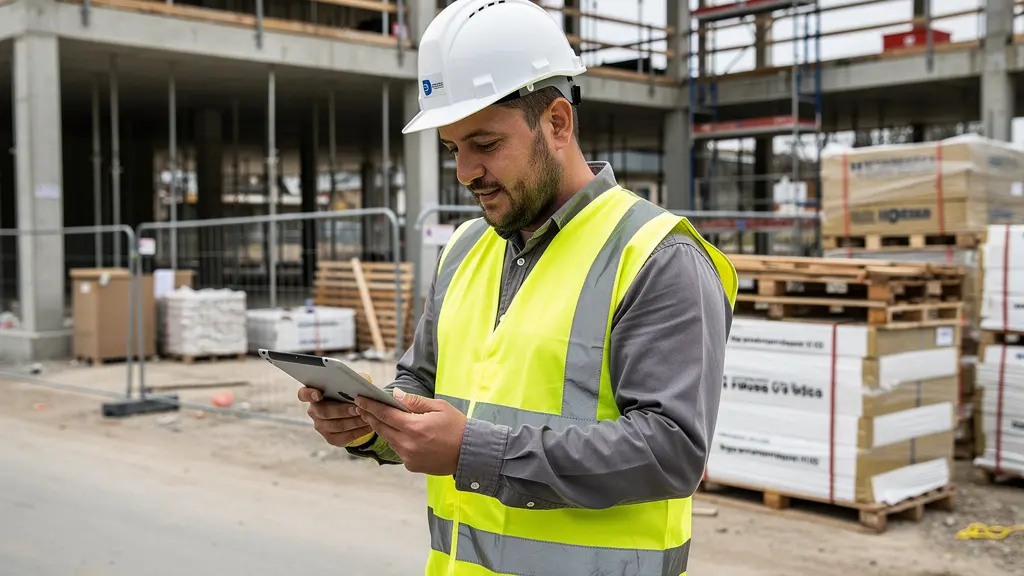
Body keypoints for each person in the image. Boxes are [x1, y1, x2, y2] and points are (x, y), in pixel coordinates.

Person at [298, 1, 738, 574]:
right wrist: (370, 423)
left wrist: (472, 451)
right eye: (454, 149)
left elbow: (669, 451)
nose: (464, 173)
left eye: (485, 144)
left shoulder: (656, 255)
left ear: (557, 123)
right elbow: (422, 385)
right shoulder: (465, 249)